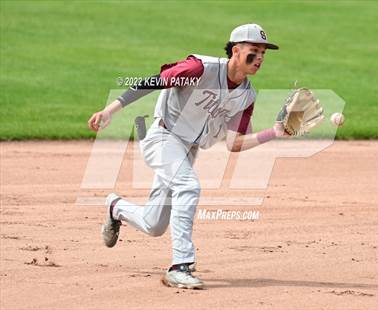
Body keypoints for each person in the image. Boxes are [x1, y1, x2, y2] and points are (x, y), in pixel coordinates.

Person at [88, 23, 288, 289]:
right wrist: (110, 110)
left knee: (153, 224)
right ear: (236, 50)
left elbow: (234, 143)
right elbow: (153, 82)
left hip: (186, 151)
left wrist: (274, 132)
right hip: (161, 137)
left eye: (264, 52)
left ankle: (115, 208)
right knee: (189, 185)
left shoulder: (246, 96)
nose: (261, 58)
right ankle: (180, 266)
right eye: (255, 51)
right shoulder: (200, 69)